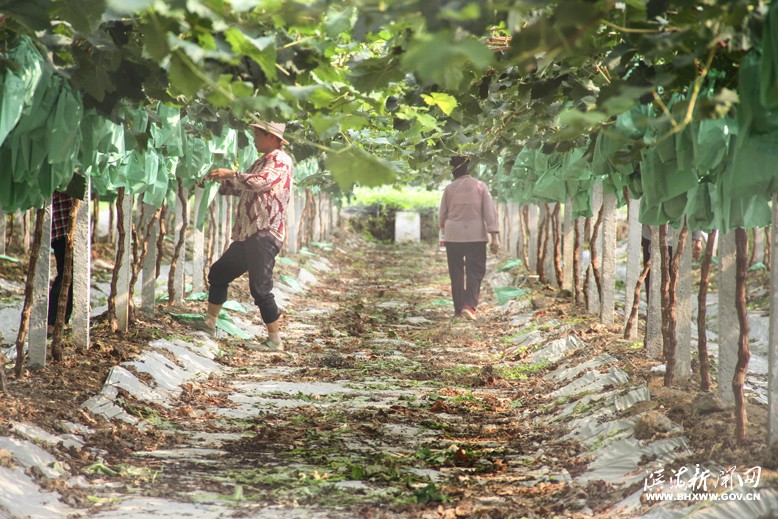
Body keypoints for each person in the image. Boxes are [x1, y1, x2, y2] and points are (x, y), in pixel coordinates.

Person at [193, 120, 294, 351]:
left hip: (264, 232)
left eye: (257, 135)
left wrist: (231, 173)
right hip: (250, 232)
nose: (254, 139)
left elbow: (260, 183)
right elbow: (243, 187)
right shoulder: (262, 161)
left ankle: (275, 340)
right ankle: (210, 323)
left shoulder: (280, 160)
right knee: (219, 272)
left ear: (271, 137)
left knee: (260, 288)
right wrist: (215, 183)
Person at [439, 156, 500, 320]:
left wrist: (444, 233)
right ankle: (469, 306)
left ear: (454, 171)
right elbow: (490, 214)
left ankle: (458, 310)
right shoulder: (480, 186)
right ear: (469, 169)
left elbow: (441, 217)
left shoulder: (449, 189)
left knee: (456, 272)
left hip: (453, 237)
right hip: (475, 236)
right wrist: (495, 238)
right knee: (475, 271)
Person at [47, 190, 74, 337]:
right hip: (63, 234)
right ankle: (53, 322)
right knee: (65, 276)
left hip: (66, 234)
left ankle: (61, 320)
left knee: (69, 277)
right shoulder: (62, 178)